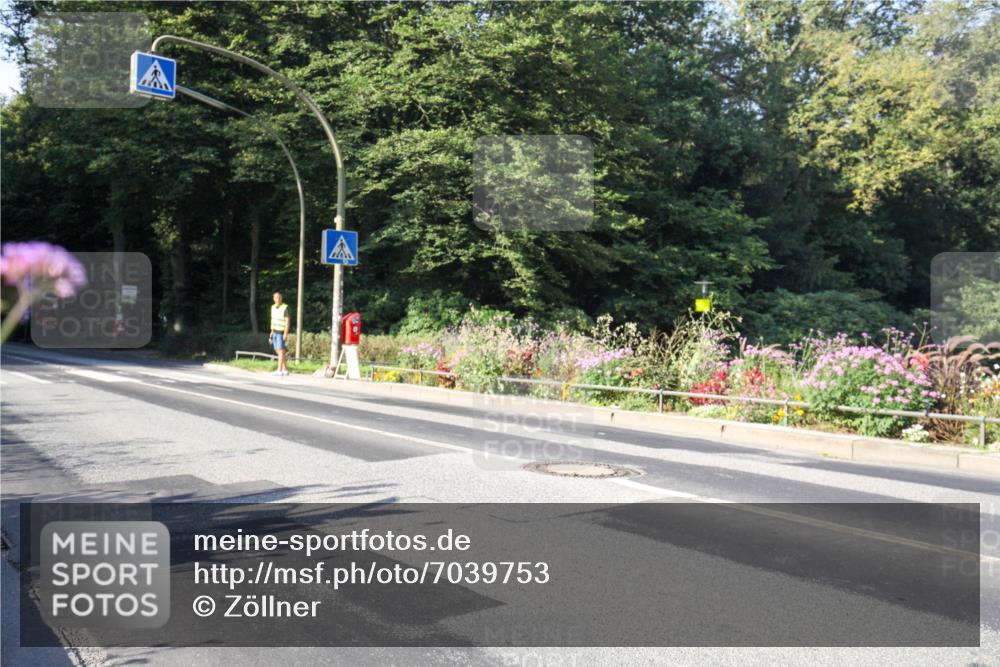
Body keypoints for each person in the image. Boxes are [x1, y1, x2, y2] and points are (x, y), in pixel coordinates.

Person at [269, 291, 291, 376]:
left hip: (281, 332)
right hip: (275, 331)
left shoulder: (285, 307)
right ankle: (284, 368)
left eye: (279, 298)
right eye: (276, 298)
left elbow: (287, 321)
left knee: (281, 350)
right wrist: (271, 331)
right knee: (277, 350)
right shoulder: (273, 307)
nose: (277, 299)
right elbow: (273, 320)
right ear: (273, 299)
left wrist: (285, 333)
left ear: (281, 298)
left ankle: (279, 369)